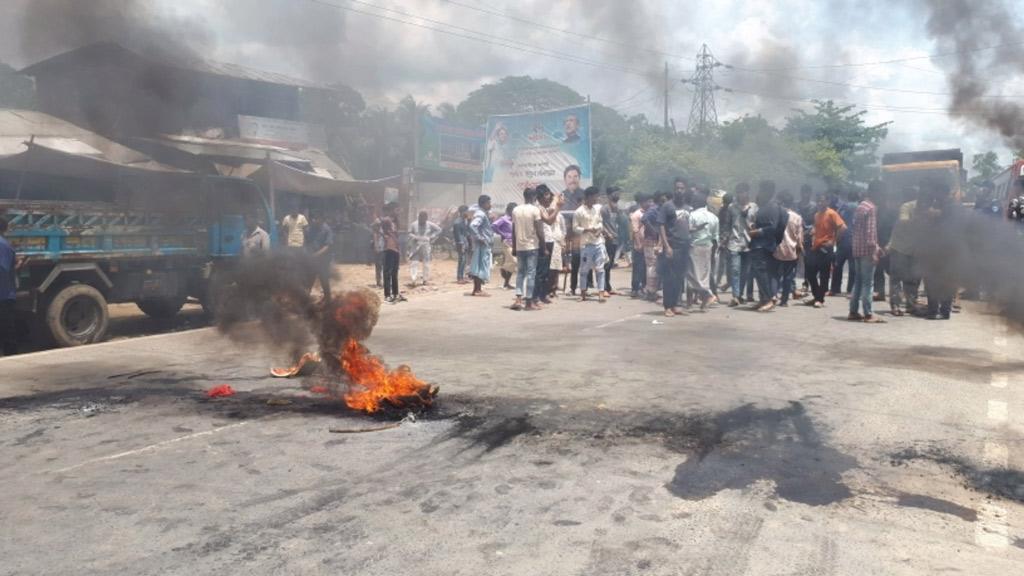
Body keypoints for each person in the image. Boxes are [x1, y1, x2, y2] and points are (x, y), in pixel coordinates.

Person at [886, 187, 924, 316]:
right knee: (896, 278)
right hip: (900, 248)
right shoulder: (907, 207)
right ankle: (895, 305)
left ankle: (911, 305)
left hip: (914, 249)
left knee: (913, 279)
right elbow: (903, 222)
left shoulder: (928, 208)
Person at [849, 182, 884, 322]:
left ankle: (853, 311)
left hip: (857, 249)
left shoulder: (860, 206)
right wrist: (874, 250)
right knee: (868, 283)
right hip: (867, 251)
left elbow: (857, 229)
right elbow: (870, 234)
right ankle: (868, 314)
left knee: (857, 282)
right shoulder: (871, 208)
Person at [806, 193, 847, 308]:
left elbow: (843, 227)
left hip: (826, 248)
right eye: (818, 200)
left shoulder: (832, 213)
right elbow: (817, 227)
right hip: (816, 246)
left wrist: (833, 241)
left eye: (822, 201)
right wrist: (813, 231)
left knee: (824, 275)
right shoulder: (817, 214)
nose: (820, 203)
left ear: (827, 202)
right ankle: (816, 296)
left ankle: (820, 299)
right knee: (810, 273)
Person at [748, 180, 782, 312]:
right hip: (757, 245)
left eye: (762, 190)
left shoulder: (772, 207)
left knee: (763, 274)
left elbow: (773, 227)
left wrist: (757, 231)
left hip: (764, 245)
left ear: (769, 192)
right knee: (758, 273)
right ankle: (762, 299)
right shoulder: (762, 206)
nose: (759, 193)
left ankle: (768, 299)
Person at [511, 188, 546, 311]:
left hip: (520, 246)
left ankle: (519, 299)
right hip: (532, 246)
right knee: (531, 274)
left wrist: (514, 246)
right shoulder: (535, 210)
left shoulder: (516, 210)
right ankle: (529, 302)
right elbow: (539, 231)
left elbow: (513, 230)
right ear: (534, 197)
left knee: (520, 273)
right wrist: (544, 247)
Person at [573, 186, 609, 302]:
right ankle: (583, 293)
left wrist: (598, 230)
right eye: (595, 197)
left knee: (600, 269)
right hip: (586, 244)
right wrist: (587, 230)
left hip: (598, 243)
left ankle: (601, 293)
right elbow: (575, 228)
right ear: (588, 197)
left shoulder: (596, 209)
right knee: (584, 270)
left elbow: (600, 223)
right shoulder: (579, 211)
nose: (596, 199)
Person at [658, 190, 690, 317]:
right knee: (669, 277)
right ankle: (668, 306)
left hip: (685, 247)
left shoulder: (688, 208)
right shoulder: (667, 206)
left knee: (679, 277)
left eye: (683, 188)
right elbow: (661, 226)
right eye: (677, 188)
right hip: (672, 246)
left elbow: (687, 226)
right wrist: (666, 246)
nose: (680, 191)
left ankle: (676, 304)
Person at [687, 187, 718, 310]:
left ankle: (707, 295)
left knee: (690, 274)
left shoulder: (692, 215)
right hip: (708, 247)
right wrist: (714, 250)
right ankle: (703, 304)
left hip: (694, 247)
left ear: (695, 203)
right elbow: (716, 236)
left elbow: (687, 231)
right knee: (704, 276)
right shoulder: (714, 217)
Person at [725, 183, 756, 306]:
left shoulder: (754, 207)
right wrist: (724, 238)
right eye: (739, 192)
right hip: (734, 243)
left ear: (748, 192)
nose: (741, 194)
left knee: (745, 272)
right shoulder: (732, 207)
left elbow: (756, 224)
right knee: (735, 270)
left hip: (748, 244)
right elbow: (727, 224)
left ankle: (740, 294)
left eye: (744, 191)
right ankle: (736, 295)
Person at [532, 184, 562, 305]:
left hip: (549, 240)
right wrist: (558, 207)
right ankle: (537, 296)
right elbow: (549, 221)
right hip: (542, 242)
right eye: (547, 195)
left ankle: (543, 294)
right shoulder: (537, 208)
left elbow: (551, 219)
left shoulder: (544, 208)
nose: (549, 198)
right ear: (540, 196)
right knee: (540, 272)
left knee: (547, 272)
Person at [773, 191, 803, 307]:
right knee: (788, 277)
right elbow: (799, 238)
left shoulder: (777, 215)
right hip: (791, 251)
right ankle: (784, 301)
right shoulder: (797, 217)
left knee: (775, 275)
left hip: (777, 250)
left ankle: (774, 295)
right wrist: (800, 252)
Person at [831, 189, 860, 295]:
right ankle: (850, 290)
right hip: (855, 240)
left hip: (842, 239)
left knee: (838, 265)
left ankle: (835, 289)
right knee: (853, 267)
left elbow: (836, 221)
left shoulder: (843, 207)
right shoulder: (859, 207)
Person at [468, 195, 495, 297]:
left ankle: (477, 289)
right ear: (483, 204)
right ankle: (477, 290)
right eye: (489, 203)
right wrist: (480, 237)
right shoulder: (481, 214)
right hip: (483, 244)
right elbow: (473, 226)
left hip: (483, 244)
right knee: (481, 265)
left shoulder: (483, 213)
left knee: (479, 265)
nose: (490, 205)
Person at [642, 191, 666, 301]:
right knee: (651, 266)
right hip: (651, 241)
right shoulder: (653, 209)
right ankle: (650, 291)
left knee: (655, 266)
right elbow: (644, 219)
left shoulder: (660, 209)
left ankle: (653, 290)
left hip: (656, 241)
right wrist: (654, 231)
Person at [408, 210, 442, 286]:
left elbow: (439, 230)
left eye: (424, 219)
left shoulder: (429, 224)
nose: (422, 220)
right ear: (419, 217)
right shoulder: (414, 224)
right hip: (416, 245)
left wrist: (431, 237)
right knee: (414, 262)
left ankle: (425, 280)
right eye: (421, 218)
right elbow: (409, 233)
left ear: (426, 218)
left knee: (426, 263)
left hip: (426, 245)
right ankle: (413, 280)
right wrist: (414, 237)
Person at [307, 213, 336, 300]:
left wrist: (316, 255)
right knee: (309, 279)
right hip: (313, 258)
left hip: (324, 260)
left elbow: (327, 246)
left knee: (324, 279)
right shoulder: (311, 229)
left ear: (322, 219)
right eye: (314, 218)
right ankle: (305, 299)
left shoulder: (327, 230)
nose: (314, 220)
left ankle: (328, 300)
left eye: (316, 218)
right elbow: (308, 242)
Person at [0, 217, 19, 356]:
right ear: (5, 229)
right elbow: (3, 269)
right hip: (4, 295)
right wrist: (17, 265)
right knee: (8, 331)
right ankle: (11, 359)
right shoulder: (4, 245)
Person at [379, 202, 403, 303]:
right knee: (387, 272)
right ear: (392, 210)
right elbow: (382, 230)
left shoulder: (395, 221)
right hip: (388, 248)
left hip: (395, 248)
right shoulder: (386, 220)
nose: (398, 212)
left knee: (395, 272)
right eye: (397, 210)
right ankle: (387, 295)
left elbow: (396, 234)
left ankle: (396, 293)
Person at [600, 187, 623, 294]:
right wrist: (608, 234)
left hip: (615, 239)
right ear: (609, 195)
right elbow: (601, 224)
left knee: (610, 264)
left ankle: (608, 287)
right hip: (607, 240)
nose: (617, 195)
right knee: (606, 264)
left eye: (618, 193)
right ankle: (604, 288)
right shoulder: (604, 209)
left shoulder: (617, 208)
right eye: (615, 193)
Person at [630, 193, 650, 298]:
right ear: (642, 202)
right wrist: (638, 244)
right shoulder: (637, 215)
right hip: (639, 245)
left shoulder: (649, 213)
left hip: (647, 245)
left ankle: (643, 287)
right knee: (637, 267)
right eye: (648, 201)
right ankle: (635, 289)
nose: (649, 203)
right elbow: (635, 230)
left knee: (645, 268)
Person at [493, 203, 517, 289]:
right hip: (504, 242)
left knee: (512, 263)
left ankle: (506, 282)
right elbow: (494, 225)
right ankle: (503, 269)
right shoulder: (504, 219)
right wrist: (502, 234)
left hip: (513, 243)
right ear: (509, 210)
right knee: (513, 261)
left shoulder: (514, 220)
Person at [715, 192, 733, 294]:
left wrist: (722, 240)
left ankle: (722, 282)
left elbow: (726, 227)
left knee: (725, 263)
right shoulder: (726, 210)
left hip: (727, 240)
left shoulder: (726, 211)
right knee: (726, 263)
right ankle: (723, 282)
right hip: (727, 239)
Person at [452, 205, 471, 285]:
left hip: (465, 243)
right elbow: (458, 235)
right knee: (462, 260)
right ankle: (459, 277)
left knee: (464, 261)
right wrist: (461, 244)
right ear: (462, 212)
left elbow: (466, 232)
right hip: (461, 244)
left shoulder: (464, 221)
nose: (468, 213)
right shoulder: (457, 222)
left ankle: (462, 276)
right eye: (467, 211)